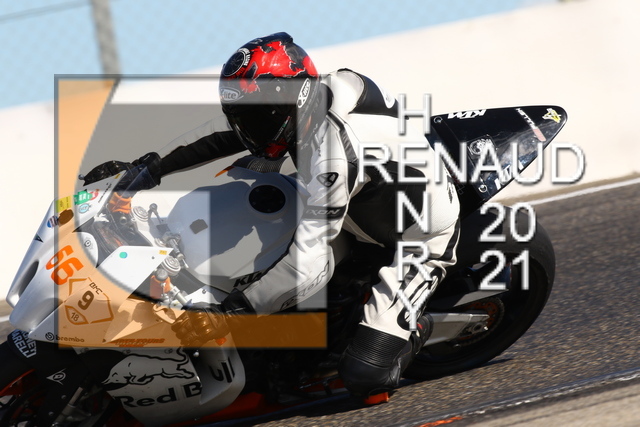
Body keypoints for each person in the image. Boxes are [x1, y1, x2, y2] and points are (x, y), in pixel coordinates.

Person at [83, 32, 461, 397]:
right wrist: (147, 169)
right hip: (358, 202)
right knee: (253, 221)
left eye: (258, 118)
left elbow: (308, 262)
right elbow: (222, 133)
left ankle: (414, 328)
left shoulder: (331, 157)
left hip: (419, 236)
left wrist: (232, 314)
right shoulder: (313, 99)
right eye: (243, 116)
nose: (249, 130)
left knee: (365, 375)